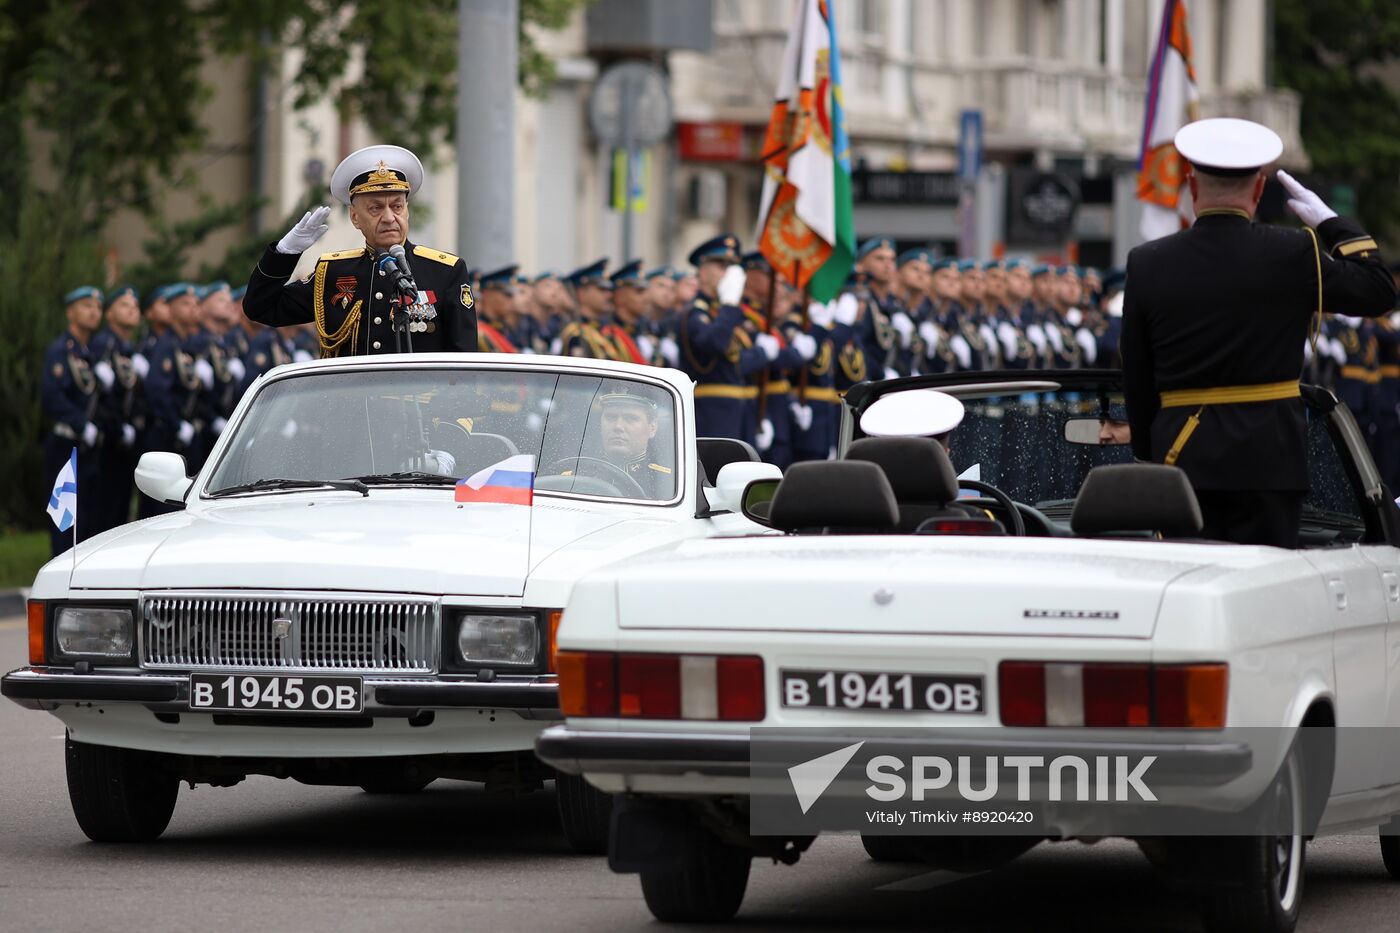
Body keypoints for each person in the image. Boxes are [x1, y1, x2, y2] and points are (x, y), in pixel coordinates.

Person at [1120, 117, 1397, 547]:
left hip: (1181, 458)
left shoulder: (1146, 261)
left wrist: (1147, 452)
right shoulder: (1295, 252)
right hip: (1269, 461)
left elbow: (1136, 375)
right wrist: (1331, 223)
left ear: (1192, 189)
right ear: (1258, 190)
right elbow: (1379, 291)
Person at [243, 144, 476, 356]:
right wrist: (285, 252)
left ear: (407, 211)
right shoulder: (333, 273)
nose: (388, 217)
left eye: (397, 206)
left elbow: (464, 361)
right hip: (350, 402)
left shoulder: (445, 271)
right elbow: (261, 308)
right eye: (375, 208)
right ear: (355, 217)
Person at [41, 287, 105, 555]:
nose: (94, 311)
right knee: (66, 519)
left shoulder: (88, 352)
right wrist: (81, 424)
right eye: (86, 305)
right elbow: (52, 396)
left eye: (97, 306)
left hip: (87, 446)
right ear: (71, 312)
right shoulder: (60, 351)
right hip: (66, 443)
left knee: (88, 517)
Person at [88, 286, 145, 534]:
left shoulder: (128, 347)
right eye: (124, 305)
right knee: (106, 512)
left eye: (135, 306)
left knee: (121, 510)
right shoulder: (104, 344)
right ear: (109, 314)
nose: (132, 309)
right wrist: (116, 427)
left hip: (124, 438)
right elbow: (98, 398)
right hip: (107, 441)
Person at [593, 389, 674, 499]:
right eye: (611, 417)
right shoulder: (575, 475)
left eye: (630, 418)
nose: (618, 426)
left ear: (652, 427)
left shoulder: (671, 482)